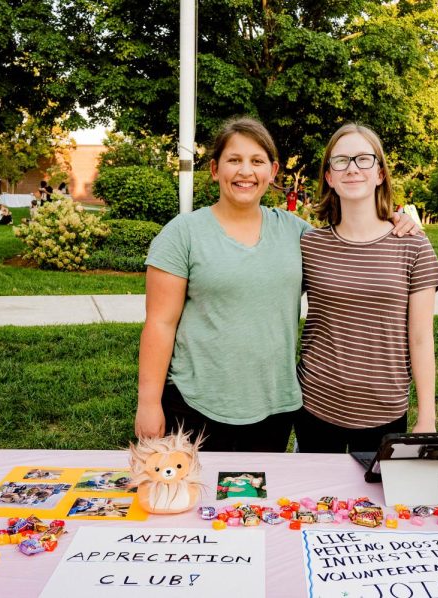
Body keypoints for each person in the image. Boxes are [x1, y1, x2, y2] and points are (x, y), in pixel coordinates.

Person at [135, 117, 419, 453]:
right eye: (234, 160)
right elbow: (160, 324)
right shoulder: (182, 234)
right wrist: (149, 403)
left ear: (272, 172)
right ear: (214, 169)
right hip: (195, 403)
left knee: (256, 504)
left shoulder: (297, 234)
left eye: (256, 162)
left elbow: (348, 247)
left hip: (274, 407)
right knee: (190, 500)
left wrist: (394, 220)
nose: (245, 172)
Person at [294, 123, 438, 454]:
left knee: (379, 505)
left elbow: (421, 337)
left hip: (385, 410)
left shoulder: (413, 244)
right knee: (316, 505)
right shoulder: (310, 244)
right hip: (316, 403)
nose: (352, 168)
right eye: (341, 161)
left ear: (380, 173)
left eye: (363, 159)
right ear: (329, 177)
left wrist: (427, 417)